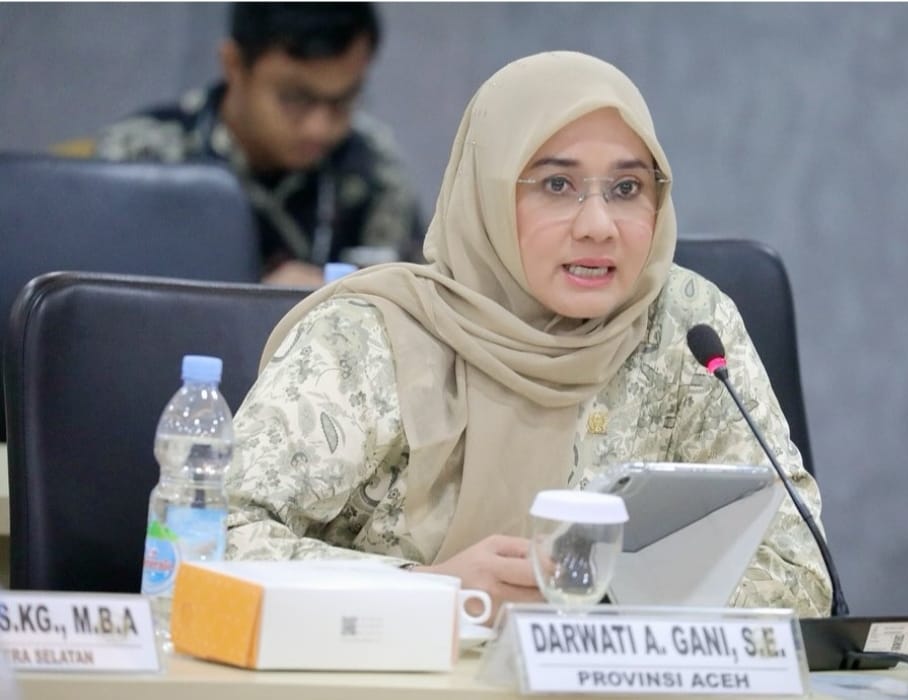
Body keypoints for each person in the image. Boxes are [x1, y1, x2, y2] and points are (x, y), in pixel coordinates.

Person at [225, 51, 832, 619]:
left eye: (627, 189)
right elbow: (216, 536)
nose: (598, 226)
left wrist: (595, 604)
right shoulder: (371, 338)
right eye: (556, 185)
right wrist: (433, 590)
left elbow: (799, 570)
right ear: (486, 192)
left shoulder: (687, 326)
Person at [95, 3, 425, 286]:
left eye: (344, 100)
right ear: (234, 65)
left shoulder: (374, 167)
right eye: (295, 98)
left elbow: (412, 305)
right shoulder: (142, 159)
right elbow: (99, 305)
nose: (319, 128)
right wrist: (254, 303)